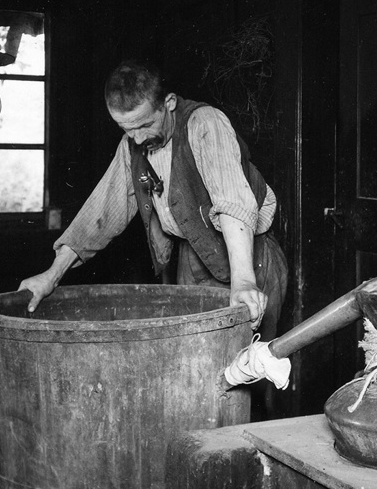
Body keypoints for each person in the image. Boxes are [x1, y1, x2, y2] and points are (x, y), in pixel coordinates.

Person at [19, 59, 287, 339]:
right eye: (126, 129)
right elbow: (100, 213)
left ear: (169, 102)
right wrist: (52, 275)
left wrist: (244, 281)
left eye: (144, 125)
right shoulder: (134, 143)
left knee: (252, 363)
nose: (136, 139)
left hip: (250, 256)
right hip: (193, 260)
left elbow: (233, 204)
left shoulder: (204, 123)